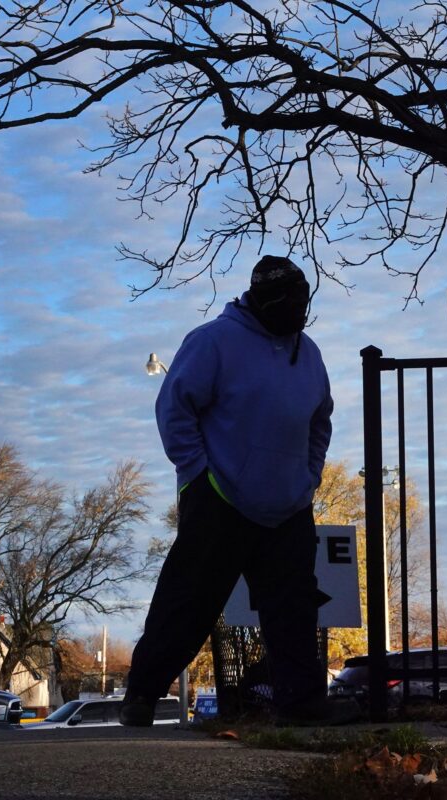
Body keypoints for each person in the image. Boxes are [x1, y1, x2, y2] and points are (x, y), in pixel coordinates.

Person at [120, 255, 356, 727]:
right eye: (288, 302)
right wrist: (197, 473)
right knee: (188, 603)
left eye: (303, 301)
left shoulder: (308, 353)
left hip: (288, 506)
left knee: (293, 607)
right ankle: (142, 695)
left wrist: (308, 476)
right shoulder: (213, 342)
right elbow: (174, 408)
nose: (297, 311)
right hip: (219, 498)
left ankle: (302, 703)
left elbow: (319, 420)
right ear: (262, 300)